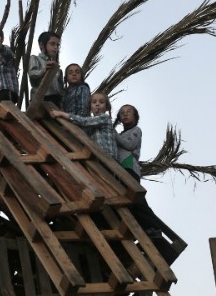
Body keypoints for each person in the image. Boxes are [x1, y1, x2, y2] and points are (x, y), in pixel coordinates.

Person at [115, 104, 162, 237]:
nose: (125, 114)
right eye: (122, 112)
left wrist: (112, 133)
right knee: (129, 200)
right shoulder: (121, 134)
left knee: (136, 198)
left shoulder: (136, 130)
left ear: (135, 116)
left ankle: (153, 226)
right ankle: (145, 228)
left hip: (129, 166)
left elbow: (129, 144)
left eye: (129, 112)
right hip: (120, 169)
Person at [49, 92, 117, 160]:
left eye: (101, 102)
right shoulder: (92, 123)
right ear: (90, 106)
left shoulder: (104, 117)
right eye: (94, 102)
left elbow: (83, 121)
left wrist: (61, 114)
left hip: (108, 157)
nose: (97, 104)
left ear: (107, 107)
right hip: (99, 157)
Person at [29, 31, 64, 108]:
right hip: (40, 99)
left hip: (56, 101)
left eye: (57, 45)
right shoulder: (35, 58)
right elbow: (32, 73)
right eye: (52, 44)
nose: (55, 47)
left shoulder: (57, 68)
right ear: (42, 45)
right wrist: (43, 71)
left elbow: (61, 89)